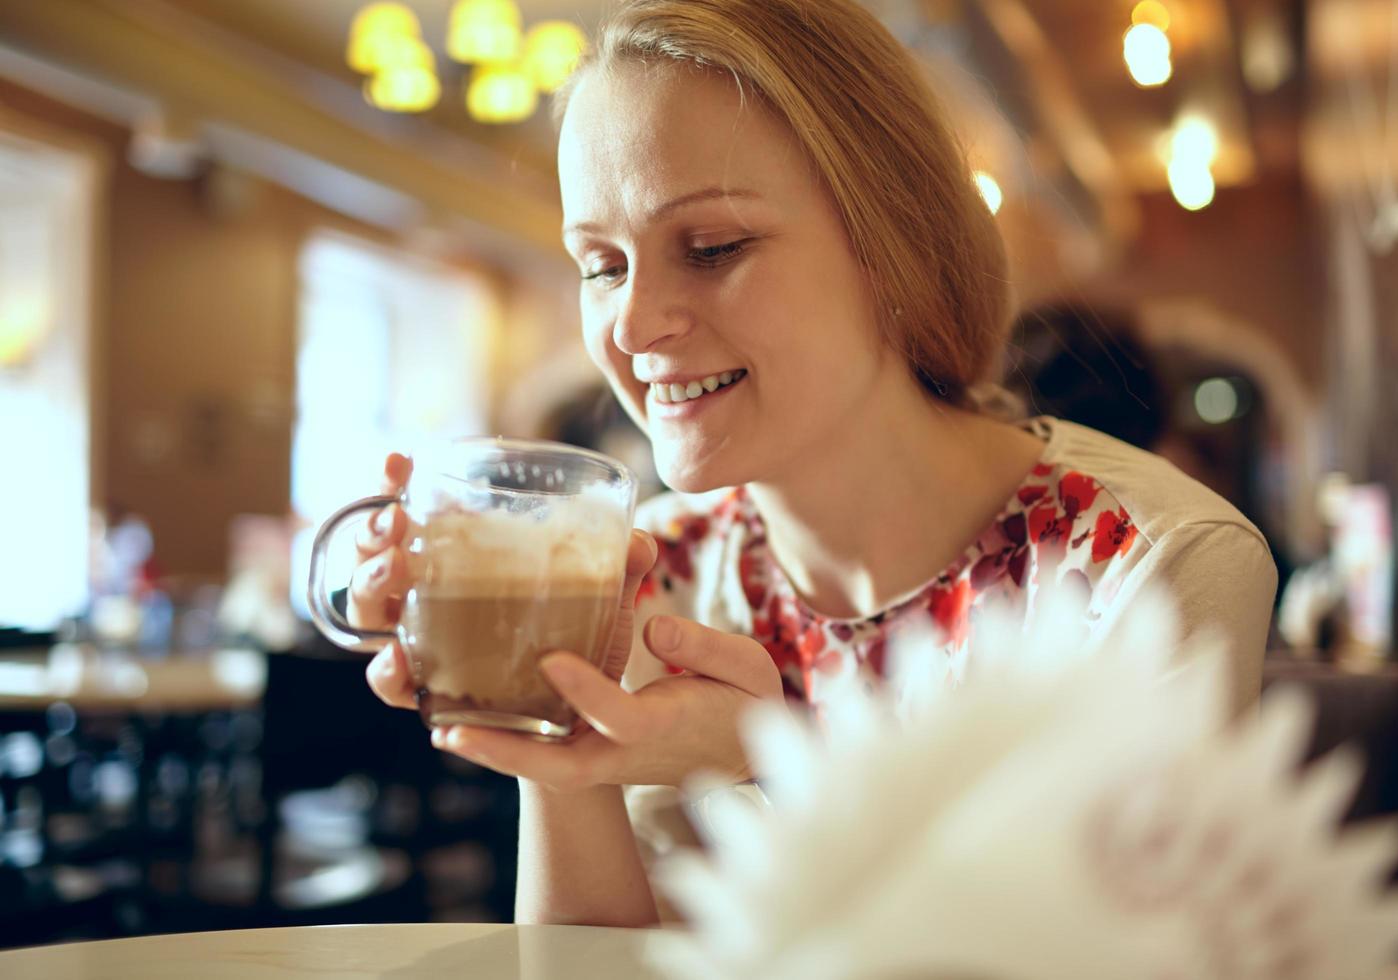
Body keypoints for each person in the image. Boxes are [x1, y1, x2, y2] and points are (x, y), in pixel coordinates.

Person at [341, 0, 1277, 928]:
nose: (629, 325)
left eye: (711, 248)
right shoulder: (646, 572)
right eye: (600, 265)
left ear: (893, 244)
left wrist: (771, 761)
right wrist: (550, 727)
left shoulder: (1149, 567)